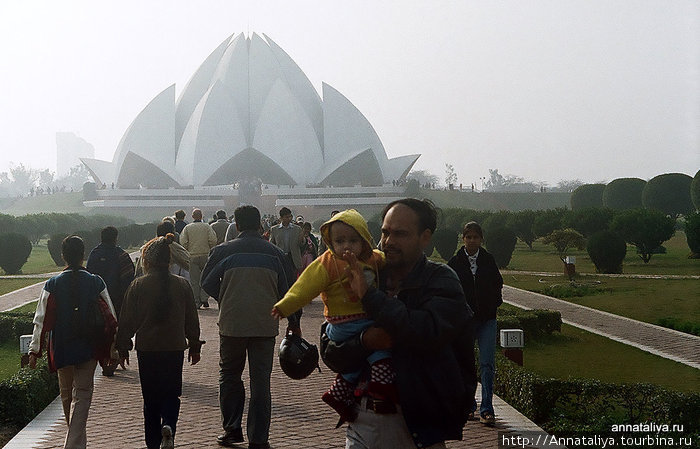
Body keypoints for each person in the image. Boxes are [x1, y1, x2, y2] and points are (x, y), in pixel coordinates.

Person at [322, 199, 471, 449]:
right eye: (385, 232)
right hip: (364, 420)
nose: (388, 241)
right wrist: (363, 341)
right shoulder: (369, 275)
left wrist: (370, 298)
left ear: (425, 237)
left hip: (419, 426)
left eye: (400, 234)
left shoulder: (441, 280)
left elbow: (425, 332)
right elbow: (329, 350)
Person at [271, 209, 386, 423]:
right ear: (331, 242)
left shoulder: (370, 258)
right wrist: (285, 306)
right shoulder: (329, 262)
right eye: (340, 241)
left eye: (353, 240)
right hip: (344, 324)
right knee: (380, 353)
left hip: (364, 319)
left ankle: (340, 393)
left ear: (364, 241)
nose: (347, 246)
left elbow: (384, 258)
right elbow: (305, 286)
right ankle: (380, 394)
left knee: (362, 360)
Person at [201, 205, 301, 449]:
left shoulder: (222, 251)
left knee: (229, 376)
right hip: (265, 325)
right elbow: (290, 291)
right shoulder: (276, 254)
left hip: (232, 324)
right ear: (260, 225)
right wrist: (294, 322)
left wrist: (226, 297)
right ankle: (259, 438)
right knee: (260, 382)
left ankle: (232, 429)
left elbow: (207, 283)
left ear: (236, 225)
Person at [28, 235, 118, 449]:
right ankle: (76, 444)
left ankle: (74, 444)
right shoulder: (96, 281)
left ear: (63, 256)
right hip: (89, 345)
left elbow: (40, 319)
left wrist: (34, 350)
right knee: (83, 394)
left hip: (63, 346)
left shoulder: (53, 284)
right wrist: (113, 347)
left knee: (67, 395)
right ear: (83, 255)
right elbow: (110, 317)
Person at [116, 234, 203, 449]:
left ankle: (153, 443)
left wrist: (123, 346)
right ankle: (169, 426)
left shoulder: (138, 285)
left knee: (151, 398)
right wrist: (194, 344)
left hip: (148, 348)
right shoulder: (182, 285)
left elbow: (126, 320)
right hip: (174, 347)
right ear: (169, 260)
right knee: (172, 393)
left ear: (147, 260)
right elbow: (192, 319)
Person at [447, 221, 503, 426]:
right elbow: (449, 291)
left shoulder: (488, 260)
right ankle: (468, 405)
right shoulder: (455, 262)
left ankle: (487, 408)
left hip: (487, 319)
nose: (472, 241)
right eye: (468, 237)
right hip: (465, 322)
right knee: (466, 364)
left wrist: (493, 304)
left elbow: (497, 284)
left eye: (476, 237)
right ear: (463, 239)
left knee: (487, 364)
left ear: (481, 239)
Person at [85, 226, 135, 376]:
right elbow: (128, 279)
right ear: (115, 238)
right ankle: (119, 355)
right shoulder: (121, 255)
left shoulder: (94, 254)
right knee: (118, 328)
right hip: (117, 299)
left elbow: (89, 276)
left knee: (101, 330)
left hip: (98, 301)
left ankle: (105, 358)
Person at [180, 208, 217, 308]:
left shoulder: (188, 228)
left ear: (192, 216)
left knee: (194, 280)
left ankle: (196, 301)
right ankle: (204, 298)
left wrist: (188, 249)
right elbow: (213, 240)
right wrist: (209, 248)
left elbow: (183, 242)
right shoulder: (207, 227)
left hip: (192, 255)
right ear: (201, 216)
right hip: (205, 254)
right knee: (206, 278)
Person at [268, 207, 304, 275]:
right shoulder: (274, 229)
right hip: (280, 257)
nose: (289, 219)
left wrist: (302, 239)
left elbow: (301, 244)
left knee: (292, 279)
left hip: (292, 258)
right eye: (286, 217)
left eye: (290, 216)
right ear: (281, 218)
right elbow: (271, 244)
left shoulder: (297, 229)